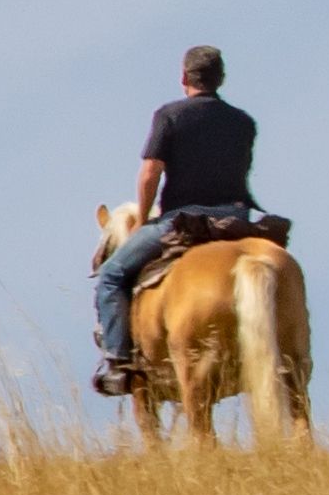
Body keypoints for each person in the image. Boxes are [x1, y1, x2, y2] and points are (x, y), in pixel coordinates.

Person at [89, 45, 261, 398]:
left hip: (182, 220)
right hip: (236, 219)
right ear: (221, 79)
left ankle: (118, 364)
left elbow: (150, 172)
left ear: (184, 77)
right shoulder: (244, 123)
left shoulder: (169, 116)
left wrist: (142, 218)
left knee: (111, 275)